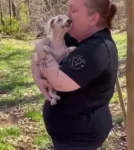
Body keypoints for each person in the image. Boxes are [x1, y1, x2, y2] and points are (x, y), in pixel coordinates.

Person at [31, 0, 118, 149]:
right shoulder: (74, 37)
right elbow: (35, 57)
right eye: (68, 9)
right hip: (66, 134)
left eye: (74, 10)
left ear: (94, 18)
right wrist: (38, 78)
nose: (68, 15)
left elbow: (59, 81)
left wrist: (41, 49)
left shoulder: (97, 49)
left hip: (81, 138)